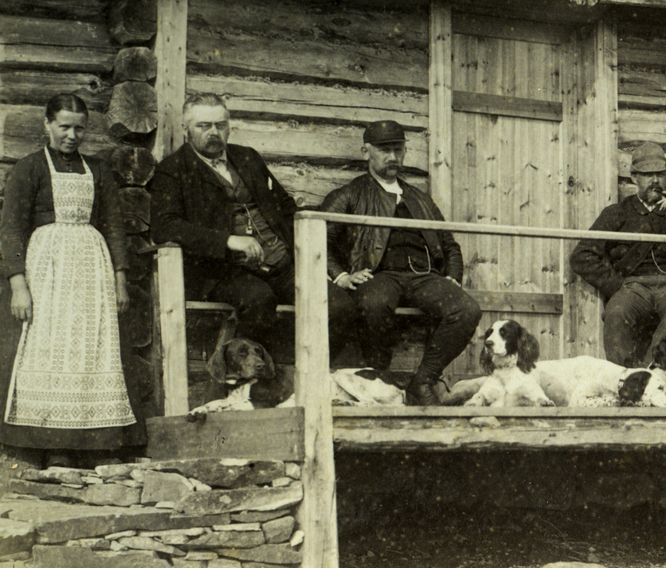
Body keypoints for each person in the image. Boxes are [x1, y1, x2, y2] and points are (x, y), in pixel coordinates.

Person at [0, 94, 144, 468]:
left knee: (91, 348)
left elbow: (114, 226)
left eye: (79, 128)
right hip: (46, 270)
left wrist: (119, 278)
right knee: (50, 345)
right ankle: (54, 446)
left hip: (90, 272)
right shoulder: (29, 168)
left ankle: (100, 443)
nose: (72, 135)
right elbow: (13, 229)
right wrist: (19, 285)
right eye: (64, 126)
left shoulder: (98, 170)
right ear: (47, 125)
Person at [150, 93, 357, 359]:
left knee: (340, 307)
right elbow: (165, 226)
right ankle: (248, 382)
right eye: (203, 126)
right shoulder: (173, 170)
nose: (214, 132)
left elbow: (284, 204)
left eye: (220, 125)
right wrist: (227, 240)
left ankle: (298, 370)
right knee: (259, 300)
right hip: (224, 270)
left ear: (229, 126)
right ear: (186, 129)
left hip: (281, 263)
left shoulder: (247, 158)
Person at [319, 120, 481, 406]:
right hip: (379, 274)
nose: (392, 157)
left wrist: (453, 276)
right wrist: (341, 275)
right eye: (384, 150)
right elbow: (318, 238)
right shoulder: (349, 194)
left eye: (398, 149)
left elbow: (449, 244)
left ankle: (423, 380)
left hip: (424, 278)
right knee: (373, 304)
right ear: (366, 151)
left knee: (467, 309)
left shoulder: (420, 199)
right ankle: (380, 379)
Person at [570, 142, 666, 367]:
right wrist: (617, 286)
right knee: (616, 314)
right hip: (635, 287)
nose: (655, 180)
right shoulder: (617, 213)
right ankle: (622, 380)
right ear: (634, 178)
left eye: (660, 174)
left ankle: (649, 376)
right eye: (647, 174)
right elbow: (581, 256)